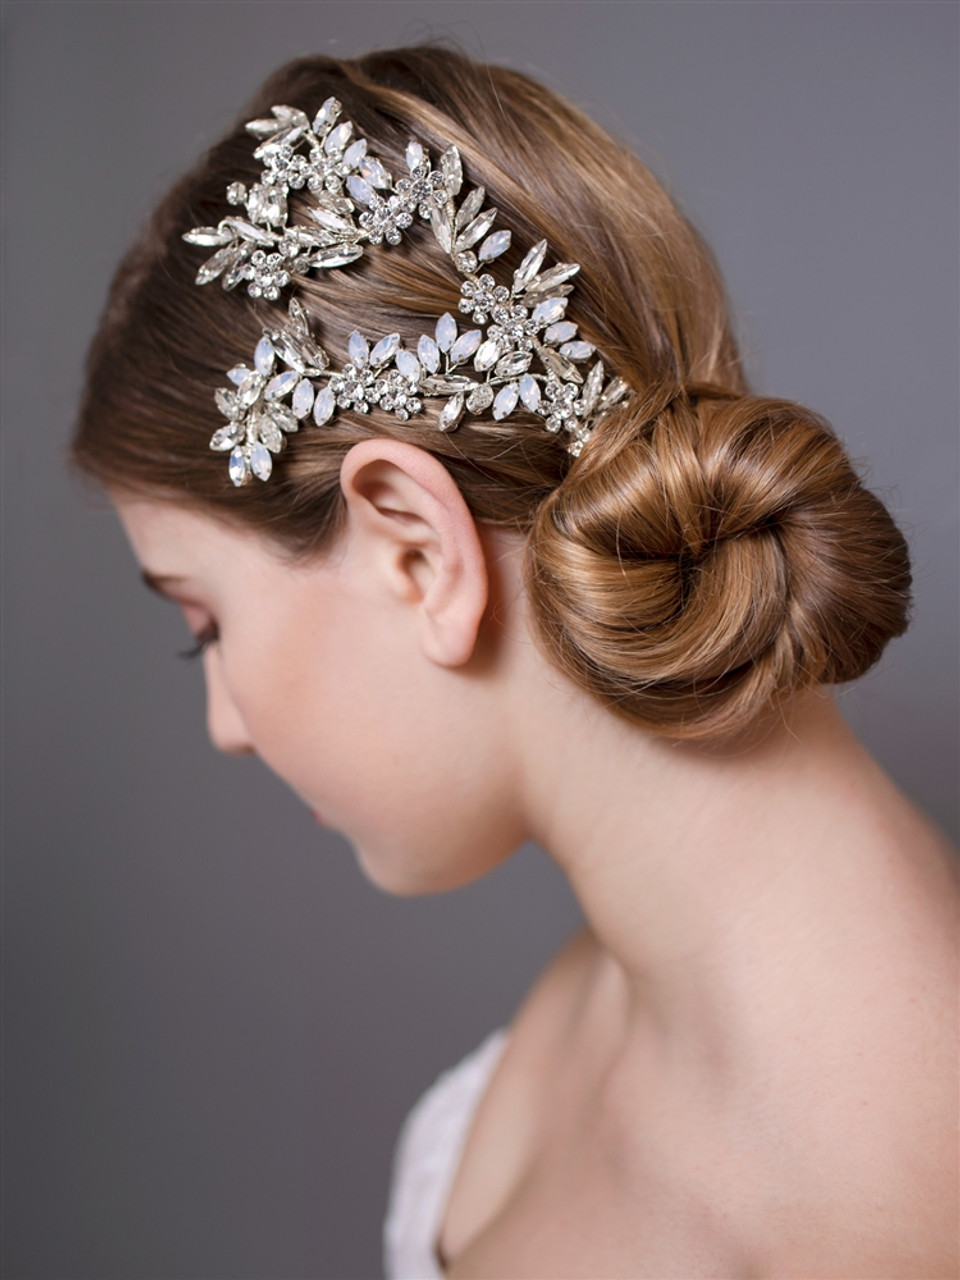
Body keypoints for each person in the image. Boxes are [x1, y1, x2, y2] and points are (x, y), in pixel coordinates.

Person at [71, 44, 957, 1280]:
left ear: (416, 549)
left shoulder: (878, 1202)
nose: (224, 720)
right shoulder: (635, 983)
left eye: (204, 620)